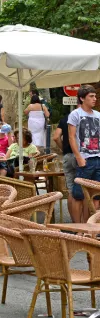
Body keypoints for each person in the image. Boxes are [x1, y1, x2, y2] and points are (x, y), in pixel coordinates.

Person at [68, 85, 100, 223]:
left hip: (98, 158)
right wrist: (79, 157)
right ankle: (78, 228)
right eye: (91, 96)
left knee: (96, 195)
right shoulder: (75, 114)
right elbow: (71, 137)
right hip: (85, 159)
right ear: (82, 98)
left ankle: (89, 228)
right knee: (78, 195)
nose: (95, 99)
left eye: (95, 96)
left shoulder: (98, 115)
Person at [53, 113, 76, 198]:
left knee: (71, 191)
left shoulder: (65, 118)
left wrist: (64, 148)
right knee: (84, 192)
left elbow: (56, 137)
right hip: (82, 157)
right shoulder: (89, 117)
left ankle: (72, 212)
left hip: (68, 155)